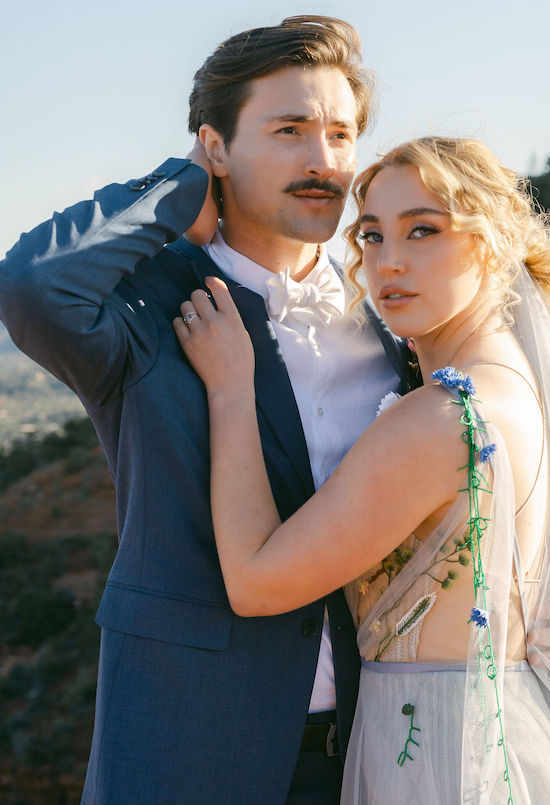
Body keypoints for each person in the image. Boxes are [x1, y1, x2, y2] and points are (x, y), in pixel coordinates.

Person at [0, 16, 415, 804]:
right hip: (186, 745)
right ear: (215, 147)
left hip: (369, 752)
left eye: (339, 133)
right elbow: (29, 286)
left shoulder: (391, 322)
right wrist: (175, 192)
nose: (322, 159)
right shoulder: (148, 308)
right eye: (289, 129)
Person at [175, 136, 550, 803]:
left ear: (490, 243)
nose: (388, 262)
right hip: (514, 737)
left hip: (439, 760)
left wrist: (231, 387)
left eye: (423, 230)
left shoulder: (439, 418)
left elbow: (258, 583)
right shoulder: (520, 388)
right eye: (371, 236)